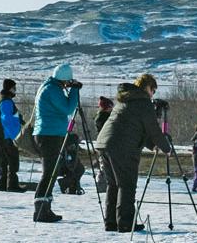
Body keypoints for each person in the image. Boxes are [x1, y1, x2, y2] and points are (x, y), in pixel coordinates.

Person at [98, 74, 169, 233]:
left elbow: (136, 128)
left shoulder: (126, 99)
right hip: (122, 147)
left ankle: (111, 222)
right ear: (148, 87)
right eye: (153, 90)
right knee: (126, 184)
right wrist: (166, 148)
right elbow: (153, 130)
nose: (153, 94)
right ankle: (125, 223)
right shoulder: (143, 103)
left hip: (105, 143)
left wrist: (152, 146)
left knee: (113, 184)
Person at [32, 63, 82, 224]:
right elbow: (68, 108)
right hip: (50, 135)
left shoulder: (48, 87)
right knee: (49, 173)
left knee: (51, 172)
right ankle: (41, 210)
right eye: (69, 81)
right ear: (65, 79)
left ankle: (44, 207)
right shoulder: (53, 90)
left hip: (47, 133)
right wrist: (74, 91)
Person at [0, 79, 24, 191]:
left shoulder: (4, 100)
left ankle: (3, 185)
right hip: (9, 137)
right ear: (9, 88)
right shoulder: (7, 101)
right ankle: (12, 185)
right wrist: (14, 137)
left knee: (4, 162)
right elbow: (7, 120)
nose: (15, 90)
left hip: (4, 136)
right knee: (13, 162)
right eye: (14, 88)